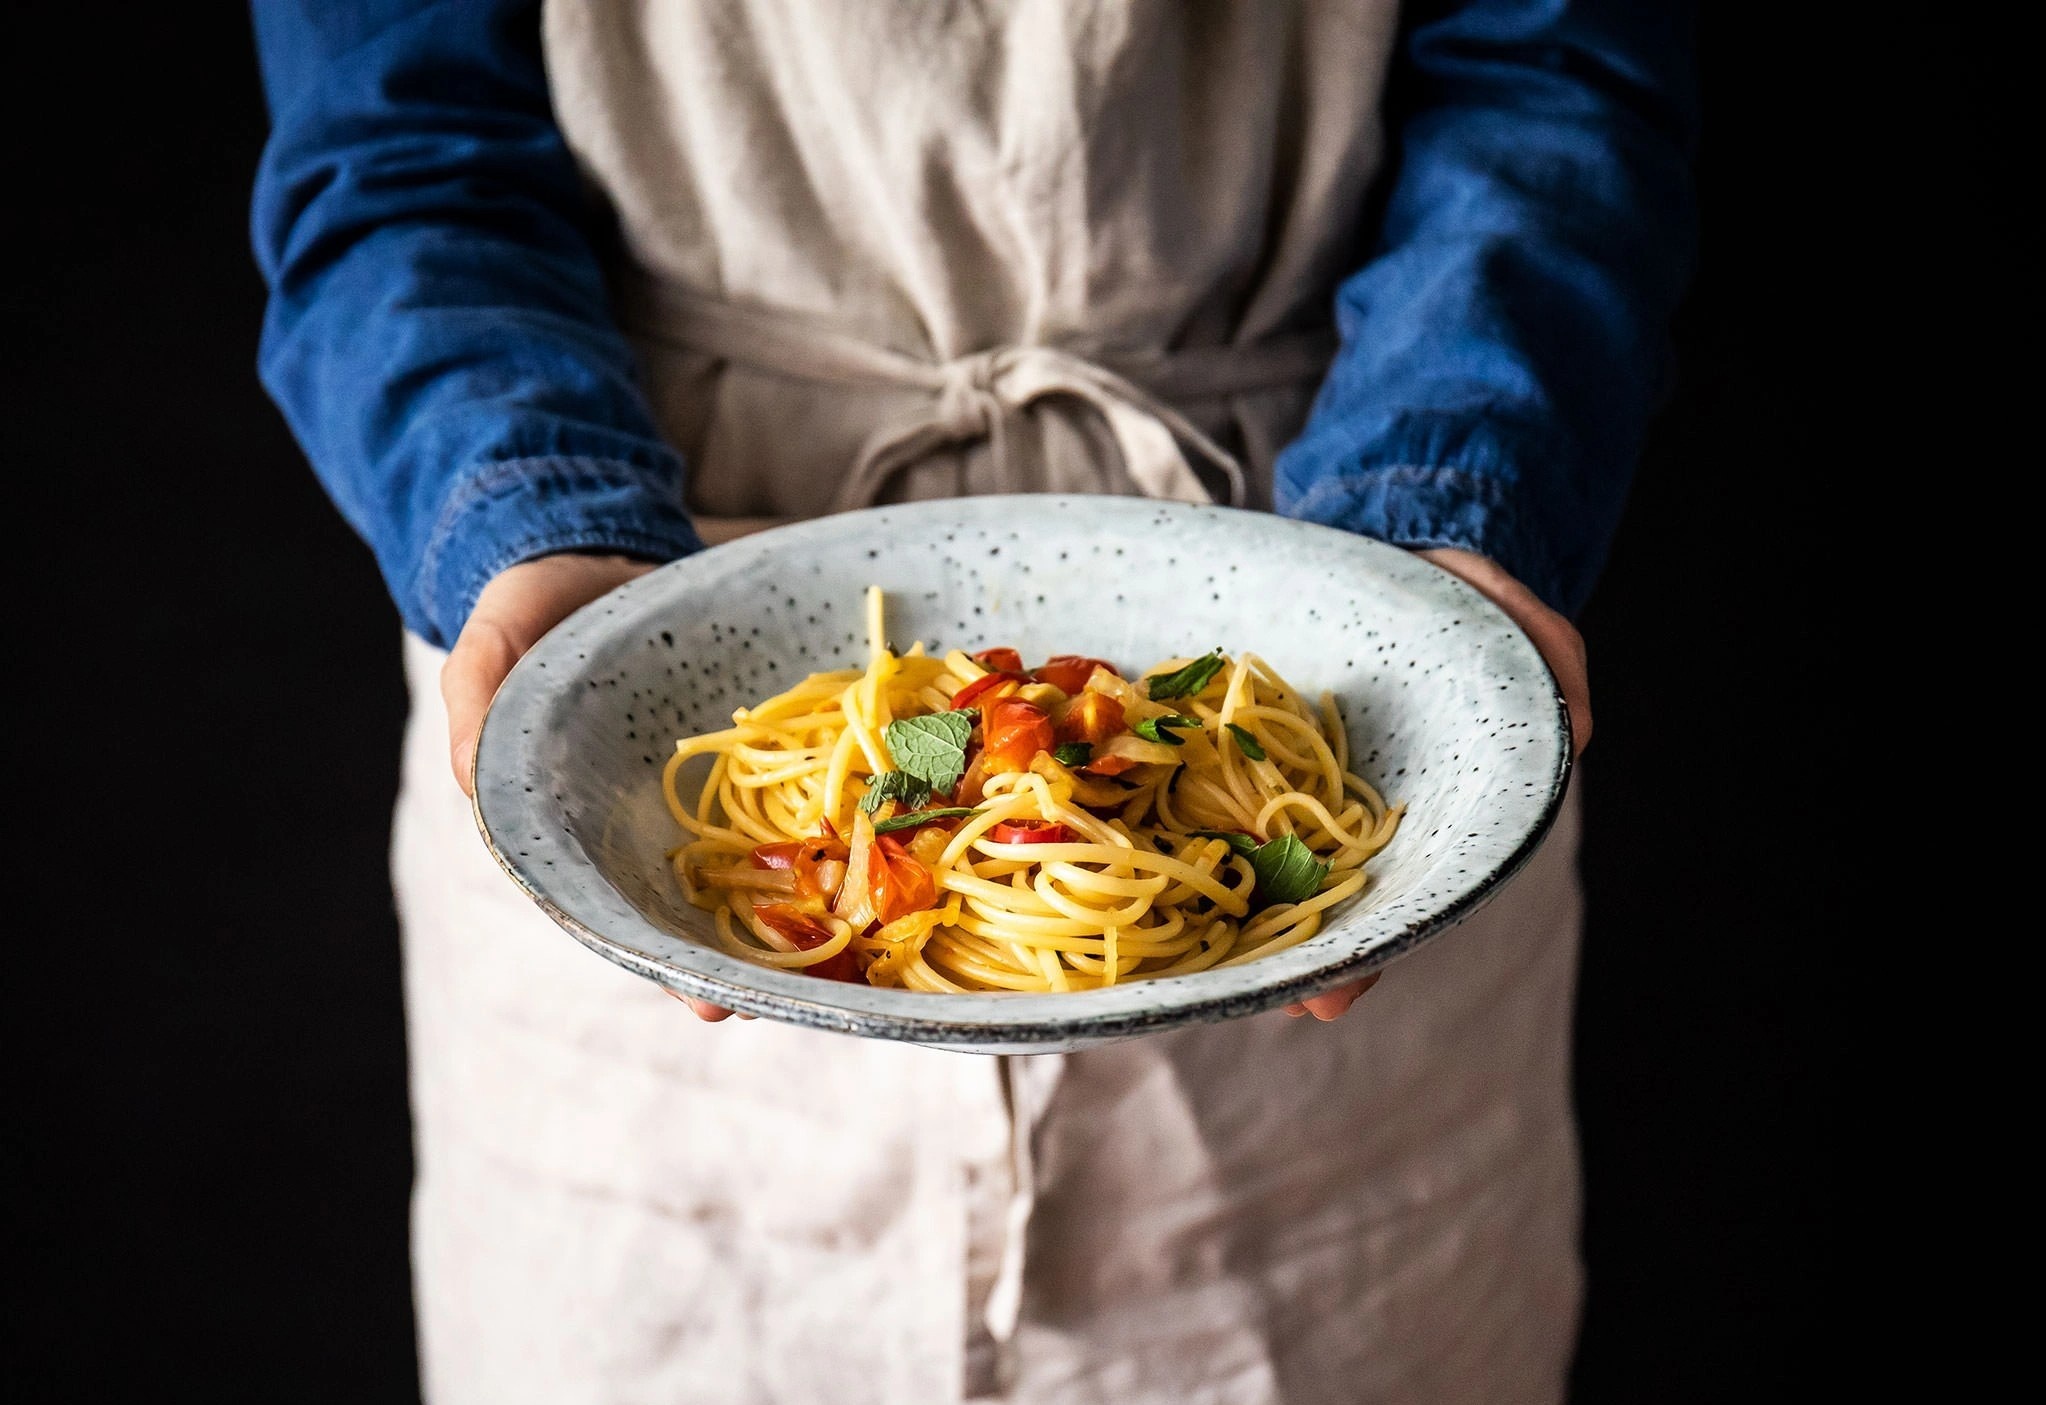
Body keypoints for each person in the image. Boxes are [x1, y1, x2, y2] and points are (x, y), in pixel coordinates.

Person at [251, 2, 1693, 1400]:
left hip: (1321, 616)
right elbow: (397, 145)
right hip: (664, 617)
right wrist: (535, 525)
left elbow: (1550, 69)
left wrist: (1445, 508)